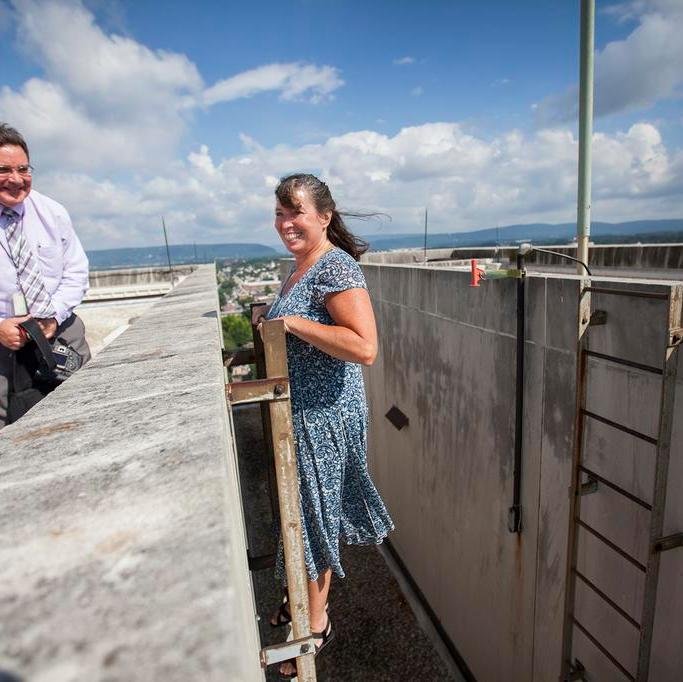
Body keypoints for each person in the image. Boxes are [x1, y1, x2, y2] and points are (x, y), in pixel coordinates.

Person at [264, 173, 394, 678]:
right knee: (301, 513)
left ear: (324, 216)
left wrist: (293, 324)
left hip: (325, 417)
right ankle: (298, 603)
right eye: (279, 213)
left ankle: (315, 626)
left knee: (316, 518)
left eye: (294, 212)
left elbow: (364, 347)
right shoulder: (300, 268)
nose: (285, 223)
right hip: (301, 414)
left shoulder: (335, 267)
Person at [0, 123, 90, 428]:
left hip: (61, 336)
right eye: (4, 170)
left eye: (23, 168)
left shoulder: (52, 213)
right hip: (4, 350)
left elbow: (76, 272)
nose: (15, 179)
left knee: (85, 416)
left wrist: (53, 317)